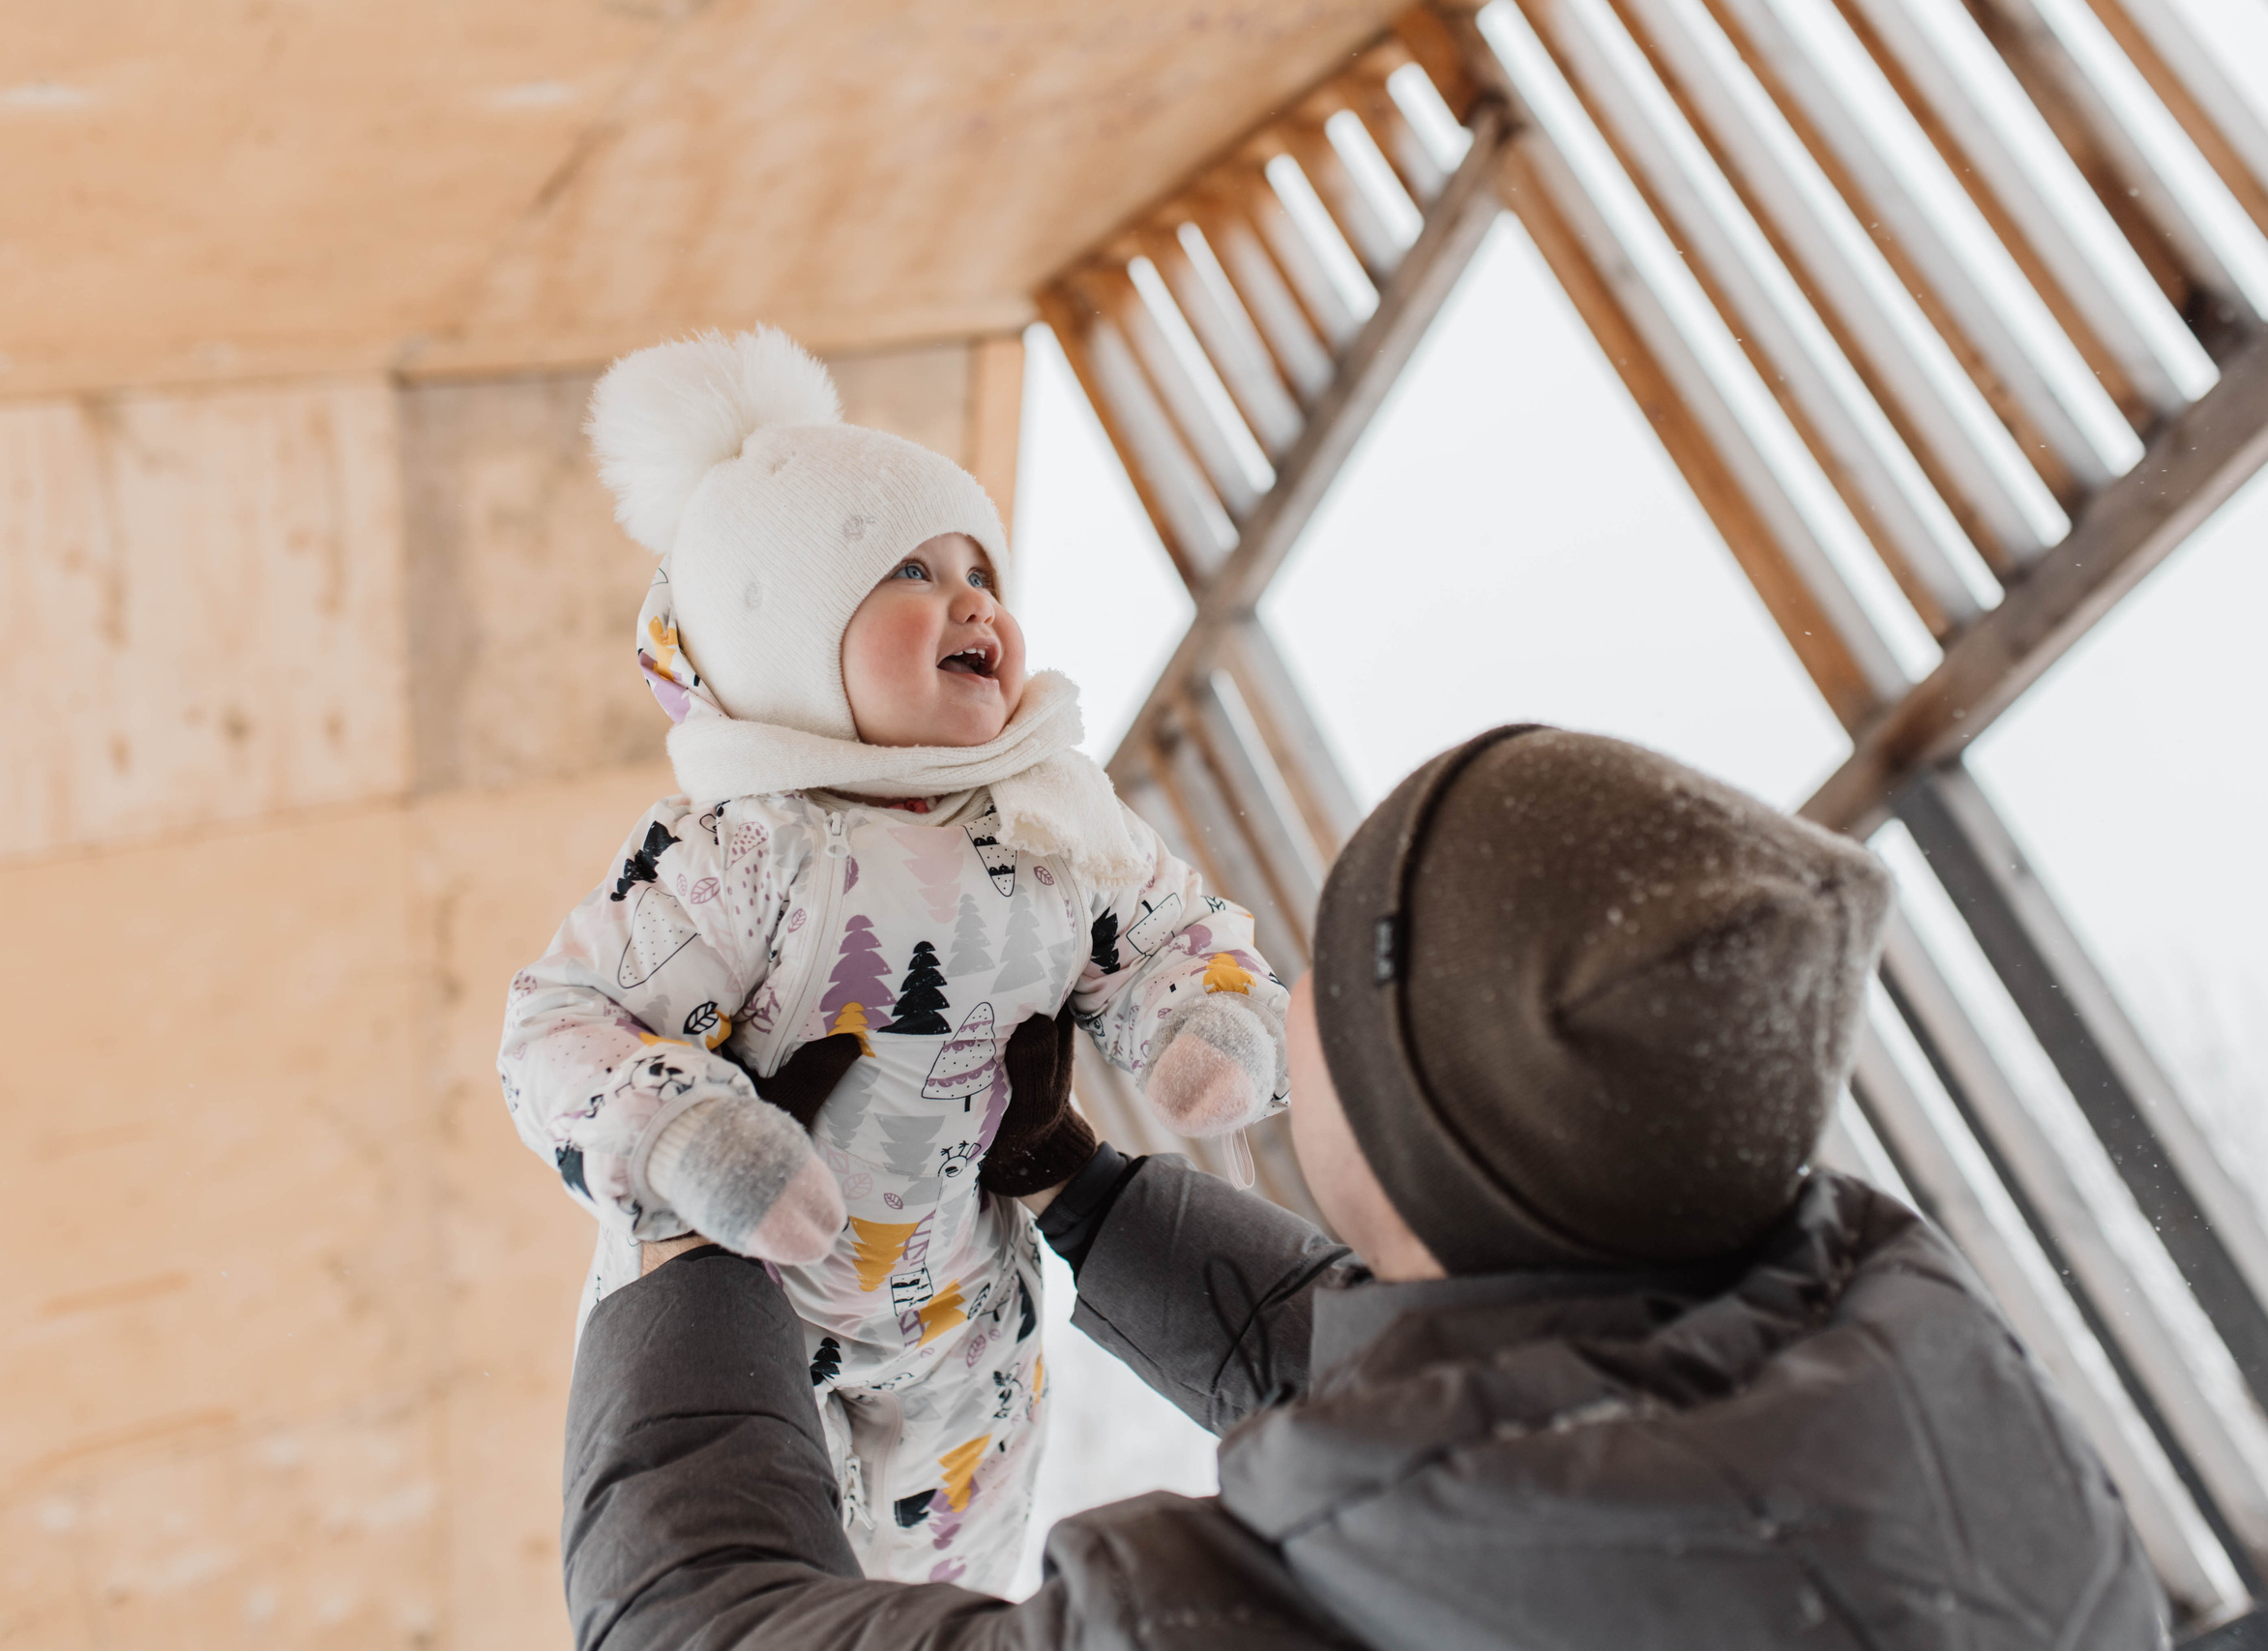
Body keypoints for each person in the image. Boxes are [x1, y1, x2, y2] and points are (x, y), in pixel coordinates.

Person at [563, 726, 2170, 1649]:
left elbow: (692, 1627)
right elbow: (1457, 1419)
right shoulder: (1908, 1393)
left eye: (1317, 999)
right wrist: (1079, 1191)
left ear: (1413, 1128)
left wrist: (686, 1249)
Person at [498, 326, 1289, 1588]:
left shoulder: (1051, 811)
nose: (976, 600)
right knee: (767, 1583)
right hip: (755, 1327)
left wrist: (1208, 1019)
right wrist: (689, 1132)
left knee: (953, 1595)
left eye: (985, 570)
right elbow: (557, 1030)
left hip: (967, 1334)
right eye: (912, 570)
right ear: (784, 633)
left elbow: (1172, 926)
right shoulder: (742, 851)